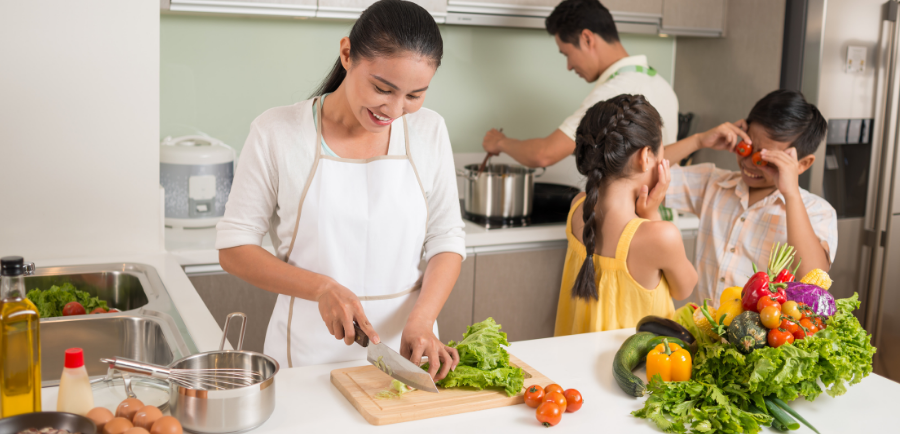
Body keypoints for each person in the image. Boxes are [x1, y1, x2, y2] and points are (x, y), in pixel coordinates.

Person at [215, 0, 464, 380]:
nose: (395, 110)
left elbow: (446, 238)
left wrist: (423, 319)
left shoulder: (430, 131)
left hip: (405, 357)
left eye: (414, 95)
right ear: (347, 54)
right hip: (305, 360)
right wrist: (320, 287)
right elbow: (234, 249)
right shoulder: (277, 132)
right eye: (383, 88)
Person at [662, 89, 835, 304]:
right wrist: (698, 141)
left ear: (802, 164)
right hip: (704, 332)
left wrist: (790, 194)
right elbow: (641, 175)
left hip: (765, 336)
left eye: (767, 159)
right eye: (748, 149)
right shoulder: (713, 184)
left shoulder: (817, 211)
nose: (750, 163)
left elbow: (814, 282)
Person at [555, 95, 696, 336]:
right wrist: (652, 212)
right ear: (645, 158)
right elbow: (686, 289)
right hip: (632, 372)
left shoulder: (578, 208)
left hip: (571, 366)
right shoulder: (660, 235)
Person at [481, 0, 679, 168]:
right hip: (662, 212)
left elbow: (544, 154)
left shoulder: (615, 92)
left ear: (587, 39)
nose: (568, 66)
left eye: (567, 54)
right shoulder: (660, 83)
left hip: (629, 213)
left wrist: (500, 142)